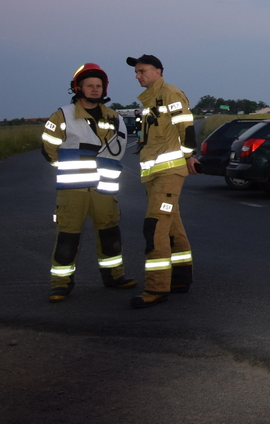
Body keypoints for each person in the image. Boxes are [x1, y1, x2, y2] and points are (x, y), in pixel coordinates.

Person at [41, 63, 136, 302]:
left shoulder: (113, 116)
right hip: (73, 189)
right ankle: (60, 285)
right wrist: (67, 167)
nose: (95, 89)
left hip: (104, 187)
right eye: (90, 86)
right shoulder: (62, 115)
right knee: (67, 238)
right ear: (78, 88)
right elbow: (48, 148)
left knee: (110, 234)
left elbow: (119, 149)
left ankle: (115, 276)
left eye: (99, 86)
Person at [127, 54, 198, 309]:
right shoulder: (151, 100)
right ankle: (180, 278)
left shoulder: (170, 94)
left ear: (158, 71)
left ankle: (157, 288)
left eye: (142, 71)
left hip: (168, 175)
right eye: (136, 72)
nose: (138, 76)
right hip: (156, 176)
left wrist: (189, 156)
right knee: (172, 227)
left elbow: (186, 129)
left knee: (154, 227)